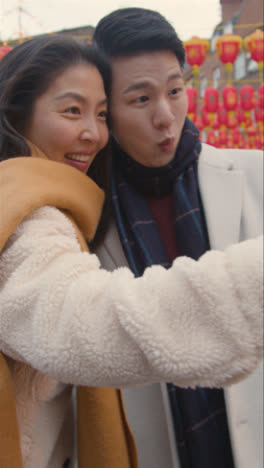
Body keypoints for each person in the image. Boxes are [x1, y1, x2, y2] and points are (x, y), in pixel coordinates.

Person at [0, 35, 262, 468]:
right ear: (16, 112)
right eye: (72, 110)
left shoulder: (76, 207)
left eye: (101, 114)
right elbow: (86, 325)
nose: (93, 133)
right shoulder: (21, 210)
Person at [93, 8, 264, 468]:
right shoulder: (91, 217)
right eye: (141, 100)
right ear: (106, 110)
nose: (166, 117)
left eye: (175, 90)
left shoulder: (255, 176)